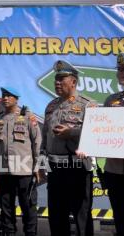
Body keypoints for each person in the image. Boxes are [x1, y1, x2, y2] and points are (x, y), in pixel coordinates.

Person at [41, 60, 95, 236]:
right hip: (55, 169)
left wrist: (71, 133)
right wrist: (42, 162)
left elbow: (95, 135)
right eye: (56, 78)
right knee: (56, 217)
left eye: (62, 78)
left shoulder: (88, 104)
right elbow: (44, 137)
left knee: (82, 217)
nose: (57, 82)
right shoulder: (51, 106)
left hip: (77, 167)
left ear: (73, 81)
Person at [0, 87, 41, 236]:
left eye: (9, 96)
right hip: (4, 170)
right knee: (6, 209)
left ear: (16, 98)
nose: (5, 98)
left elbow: (37, 142)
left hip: (24, 170)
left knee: (28, 208)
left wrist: (36, 167)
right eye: (3, 95)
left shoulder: (27, 117)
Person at [103, 53, 124, 236]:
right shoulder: (111, 101)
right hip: (115, 171)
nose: (122, 73)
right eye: (120, 69)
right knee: (120, 217)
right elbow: (101, 132)